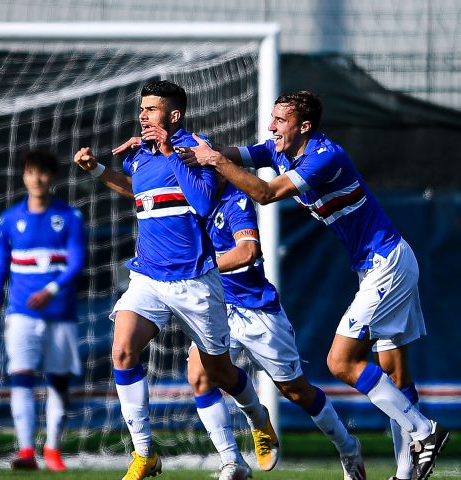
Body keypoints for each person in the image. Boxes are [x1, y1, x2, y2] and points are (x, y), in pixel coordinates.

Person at [177, 90, 449, 480]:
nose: (271, 127)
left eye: (279, 121)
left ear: (304, 126)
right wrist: (181, 144)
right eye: (271, 119)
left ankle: (425, 431)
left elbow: (266, 193)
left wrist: (215, 160)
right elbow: (237, 154)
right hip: (378, 265)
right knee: (395, 374)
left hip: (387, 264)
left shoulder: (324, 156)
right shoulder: (280, 150)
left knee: (341, 361)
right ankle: (406, 474)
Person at [73, 80, 275, 480]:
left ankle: (256, 414)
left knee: (218, 374)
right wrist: (96, 169)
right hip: (148, 276)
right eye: (142, 109)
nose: (143, 115)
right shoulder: (140, 155)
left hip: (196, 281)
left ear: (174, 115)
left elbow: (202, 202)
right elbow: (137, 191)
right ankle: (144, 453)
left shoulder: (196, 149)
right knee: (123, 351)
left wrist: (170, 151)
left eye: (151, 109)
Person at [188, 174, 365, 479]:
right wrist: (101, 171)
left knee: (295, 391)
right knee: (200, 377)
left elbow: (247, 251)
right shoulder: (191, 200)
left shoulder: (236, 200)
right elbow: (144, 197)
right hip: (216, 307)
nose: (192, 181)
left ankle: (348, 448)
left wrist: (200, 265)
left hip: (256, 310)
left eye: (197, 172)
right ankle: (233, 461)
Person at [0, 150, 86, 472]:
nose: (36, 179)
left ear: (51, 177)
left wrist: (51, 290)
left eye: (42, 173)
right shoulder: (10, 219)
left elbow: (77, 261)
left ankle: (53, 448)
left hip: (60, 312)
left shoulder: (69, 217)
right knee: (21, 377)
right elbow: (0, 267)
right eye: (30, 172)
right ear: (24, 177)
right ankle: (26, 449)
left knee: (58, 380)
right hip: (20, 314)